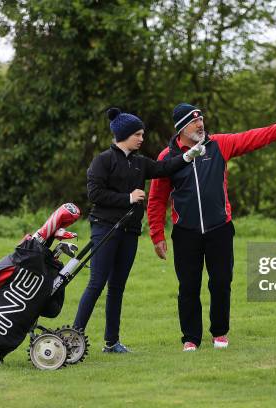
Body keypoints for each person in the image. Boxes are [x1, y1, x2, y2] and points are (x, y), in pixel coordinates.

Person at [147, 103, 276, 351]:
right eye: (194, 122)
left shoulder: (218, 145)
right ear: (181, 127)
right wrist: (157, 234)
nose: (201, 124)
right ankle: (191, 338)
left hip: (219, 229)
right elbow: (157, 199)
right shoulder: (167, 158)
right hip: (185, 233)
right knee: (188, 286)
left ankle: (219, 333)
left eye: (201, 119)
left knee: (221, 282)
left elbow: (252, 138)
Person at [73, 107, 205, 353]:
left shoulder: (139, 162)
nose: (142, 139)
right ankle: (73, 337)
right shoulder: (103, 160)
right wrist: (128, 197)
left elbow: (164, 169)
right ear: (124, 134)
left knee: (117, 287)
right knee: (97, 282)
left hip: (130, 232)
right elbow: (95, 194)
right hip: (105, 229)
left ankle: (111, 342)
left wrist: (189, 156)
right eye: (138, 134)